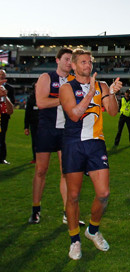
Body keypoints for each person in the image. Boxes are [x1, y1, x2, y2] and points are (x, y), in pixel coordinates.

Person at [59, 49, 122, 260]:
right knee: (73, 196)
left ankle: (92, 231)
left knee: (103, 194)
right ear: (74, 66)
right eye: (83, 62)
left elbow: (112, 111)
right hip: (73, 144)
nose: (87, 65)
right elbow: (75, 115)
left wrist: (110, 93)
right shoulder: (66, 88)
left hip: (96, 144)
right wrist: (90, 93)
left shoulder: (101, 85)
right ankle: (74, 240)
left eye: (89, 62)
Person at [29, 48, 84, 225]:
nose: (69, 62)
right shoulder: (47, 77)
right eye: (66, 59)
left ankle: (68, 213)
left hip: (66, 131)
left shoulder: (74, 81)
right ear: (57, 60)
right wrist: (64, 99)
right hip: (47, 130)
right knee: (41, 170)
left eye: (71, 60)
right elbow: (41, 102)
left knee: (66, 173)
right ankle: (35, 209)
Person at [0, 69, 15, 165]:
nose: (1, 76)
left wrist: (5, 96)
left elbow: (11, 108)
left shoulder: (10, 88)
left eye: (2, 75)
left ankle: (2, 157)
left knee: (2, 137)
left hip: (4, 116)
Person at [24, 83, 39, 163]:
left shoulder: (46, 96)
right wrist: (26, 127)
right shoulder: (31, 98)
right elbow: (27, 113)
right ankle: (35, 158)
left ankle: (43, 158)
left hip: (44, 123)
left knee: (44, 141)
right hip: (34, 123)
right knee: (34, 141)